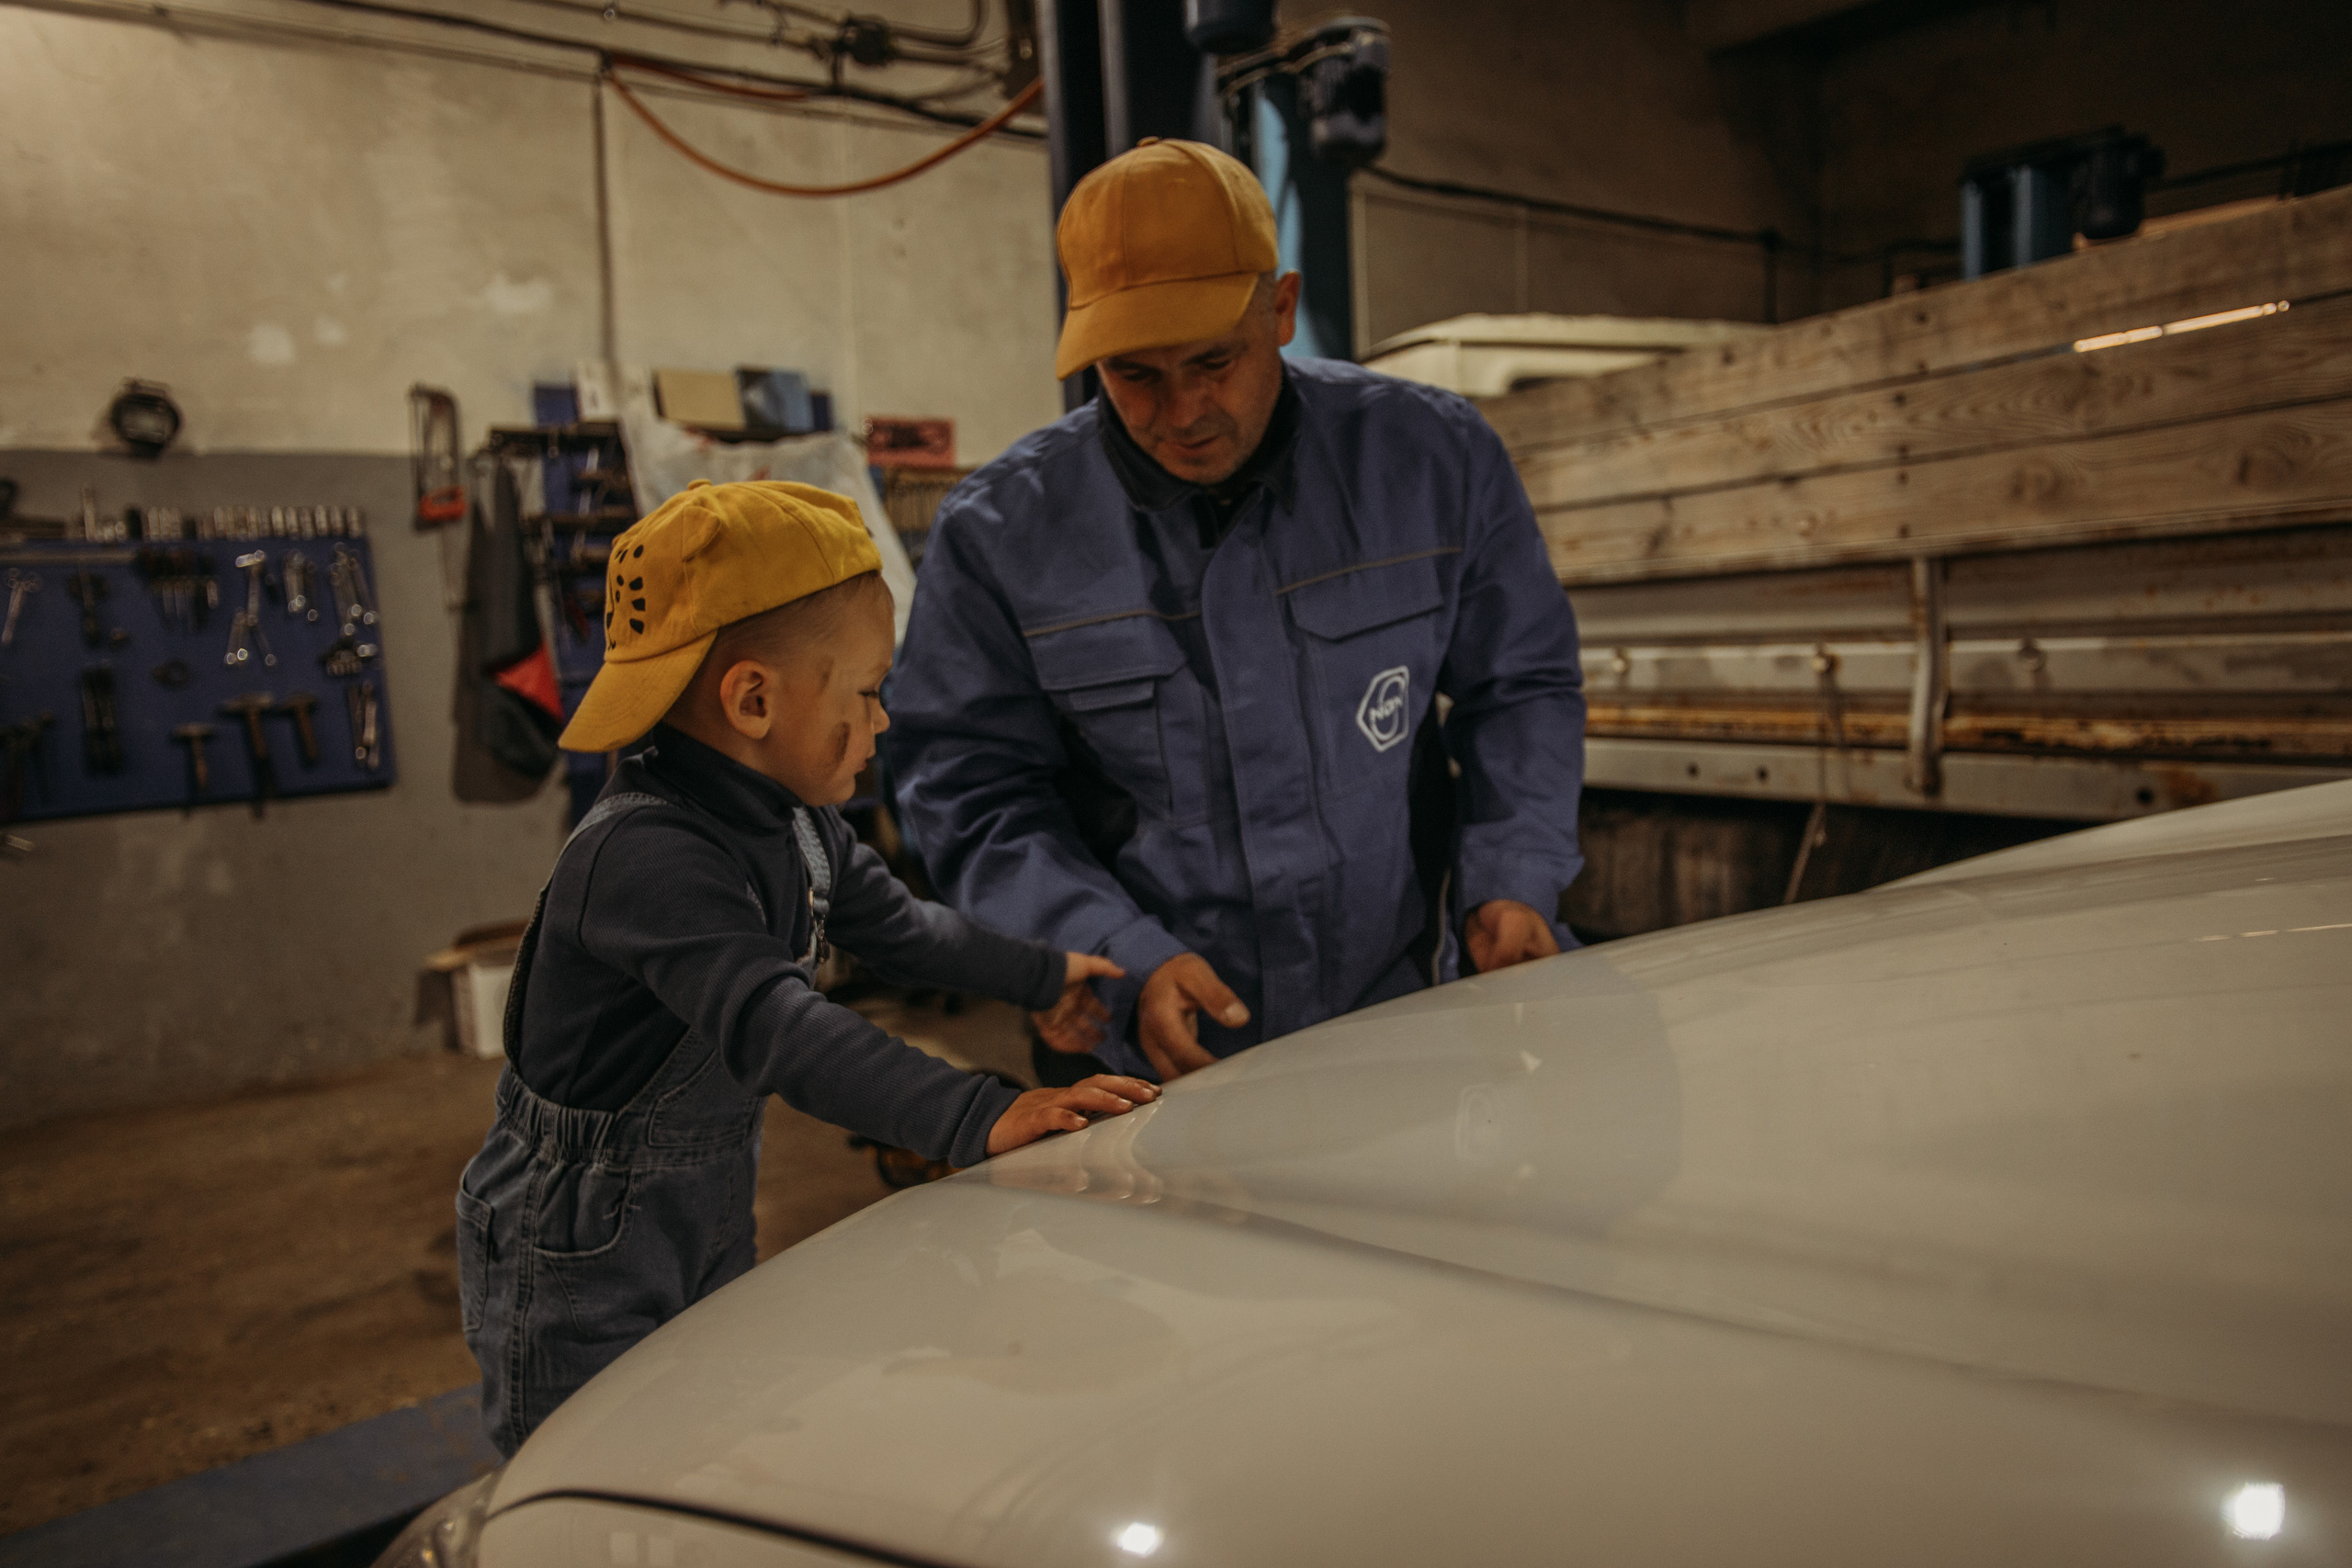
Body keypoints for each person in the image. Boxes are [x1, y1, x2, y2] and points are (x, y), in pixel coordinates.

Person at [455, 479, 1155, 1456]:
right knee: (586, 1470)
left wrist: (1046, 973)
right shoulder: (644, 858)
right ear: (752, 699)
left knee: (695, 1439)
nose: (881, 723)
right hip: (578, 1244)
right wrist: (975, 1115)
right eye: (868, 693)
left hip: (701, 1198)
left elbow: (905, 931)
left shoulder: (798, 823)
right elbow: (778, 1026)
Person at [885, 139, 1586, 1088]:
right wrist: (1110, 944)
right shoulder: (1002, 534)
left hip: (1400, 1017)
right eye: (1134, 375)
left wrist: (1512, 873)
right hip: (1150, 1051)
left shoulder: (1429, 461)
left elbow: (1522, 684)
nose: (1182, 412)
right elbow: (967, 789)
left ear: (1281, 309)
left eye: (1214, 361)